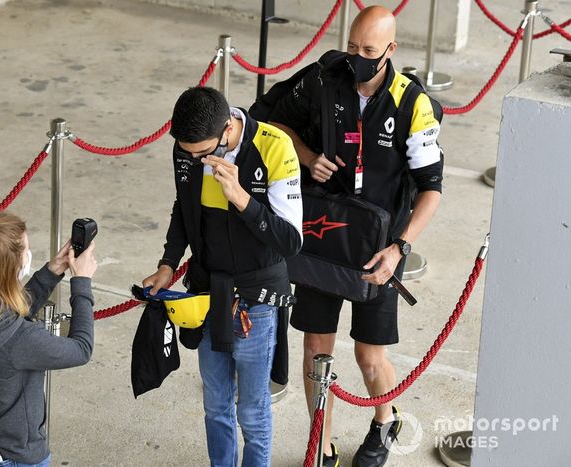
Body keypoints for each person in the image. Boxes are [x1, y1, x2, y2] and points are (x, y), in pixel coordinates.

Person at [269, 6, 443, 467]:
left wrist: (399, 248)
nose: (357, 57)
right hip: (324, 232)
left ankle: (385, 421)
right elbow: (272, 120)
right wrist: (306, 156)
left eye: (368, 51)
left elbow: (431, 190)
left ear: (391, 50)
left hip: (381, 245)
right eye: (352, 47)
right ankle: (321, 442)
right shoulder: (324, 78)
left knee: (370, 356)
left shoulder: (412, 103)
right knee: (315, 346)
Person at [141, 86, 303, 467]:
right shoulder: (188, 148)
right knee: (215, 406)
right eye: (187, 153)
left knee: (252, 410)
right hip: (207, 292)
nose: (195, 160)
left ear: (228, 128)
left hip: (256, 299)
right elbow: (183, 208)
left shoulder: (274, 147)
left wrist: (242, 198)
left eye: (203, 153)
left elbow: (290, 241)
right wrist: (168, 263)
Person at [0, 211, 98, 466]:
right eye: (26, 250)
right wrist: (82, 283)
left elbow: (2, 311)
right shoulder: (22, 340)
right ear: (16, 267)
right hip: (17, 457)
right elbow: (81, 349)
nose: (28, 254)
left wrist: (51, 272)